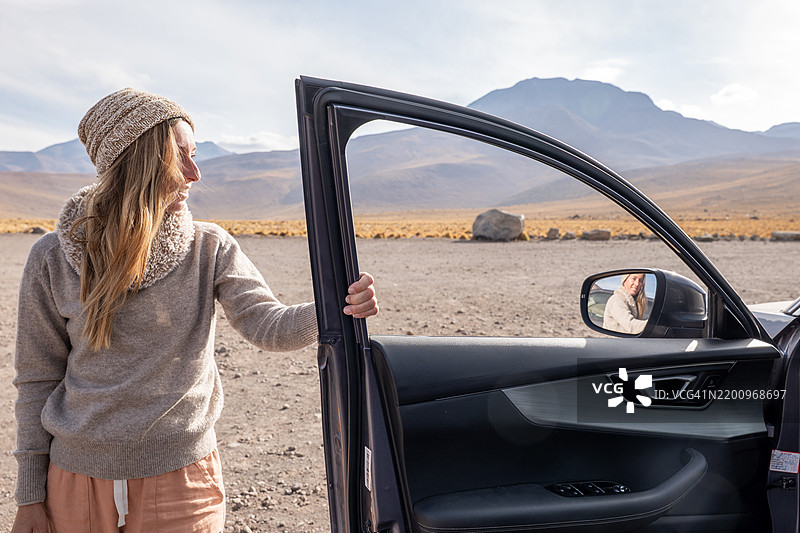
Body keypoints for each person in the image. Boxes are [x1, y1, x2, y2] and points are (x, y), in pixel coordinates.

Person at [11, 88, 378, 533]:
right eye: (178, 157)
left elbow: (270, 326)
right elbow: (36, 380)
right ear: (137, 164)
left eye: (196, 154)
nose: (195, 173)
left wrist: (336, 307)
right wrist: (30, 496)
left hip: (183, 481)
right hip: (75, 483)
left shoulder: (209, 246)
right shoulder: (52, 257)